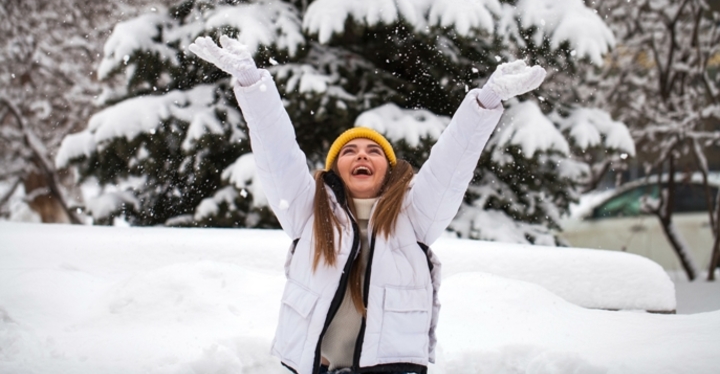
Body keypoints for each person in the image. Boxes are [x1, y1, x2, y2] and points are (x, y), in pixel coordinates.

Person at [189, 35, 546, 374]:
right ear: (335, 169)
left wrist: (485, 102)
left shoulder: (415, 216)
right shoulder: (308, 211)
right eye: (350, 151)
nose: (362, 155)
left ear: (388, 171)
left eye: (373, 151)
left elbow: (451, 165)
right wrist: (252, 85)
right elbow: (276, 152)